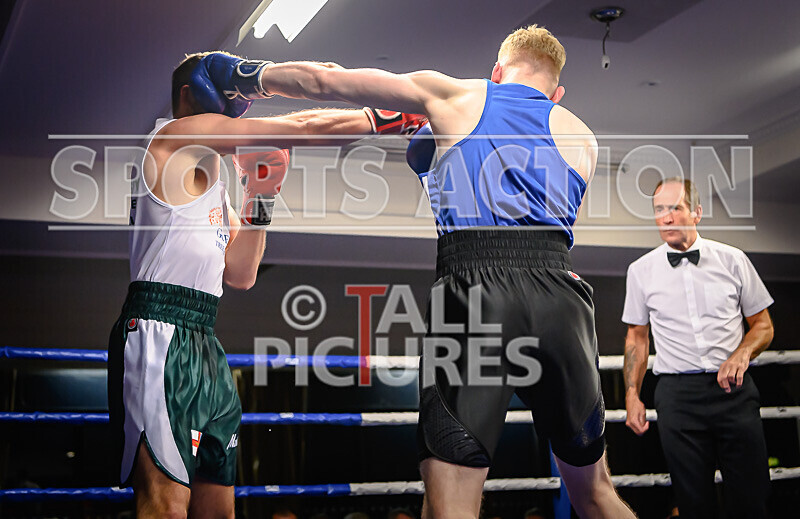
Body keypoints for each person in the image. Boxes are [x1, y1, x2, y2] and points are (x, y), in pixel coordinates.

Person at [191, 24, 636, 519]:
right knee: (595, 492)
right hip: (564, 301)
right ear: (557, 91)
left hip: (477, 289)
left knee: (452, 500)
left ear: (496, 71)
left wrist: (246, 76)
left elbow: (325, 81)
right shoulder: (583, 136)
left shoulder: (453, 94)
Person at [107, 51, 425, 519]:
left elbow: (240, 272)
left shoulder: (215, 183)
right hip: (158, 329)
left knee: (218, 507)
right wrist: (381, 117)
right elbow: (296, 129)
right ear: (187, 96)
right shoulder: (171, 138)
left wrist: (261, 197)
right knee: (165, 504)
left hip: (204, 340)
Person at [622, 177, 774, 519]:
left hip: (733, 390)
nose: (666, 218)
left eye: (675, 208)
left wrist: (742, 353)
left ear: (697, 213)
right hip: (677, 395)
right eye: (659, 210)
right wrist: (632, 393)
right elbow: (637, 337)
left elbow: (763, 326)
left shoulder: (733, 260)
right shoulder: (641, 271)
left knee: (752, 498)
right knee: (693, 504)